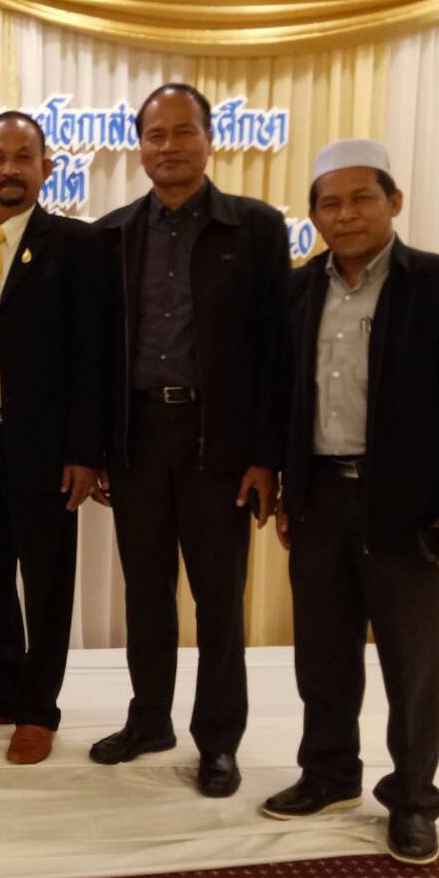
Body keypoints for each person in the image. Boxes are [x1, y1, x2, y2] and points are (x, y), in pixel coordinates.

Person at [264, 138, 439, 864]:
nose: (345, 215)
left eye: (361, 198)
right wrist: (286, 485)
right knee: (322, 653)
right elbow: (284, 401)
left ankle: (413, 800)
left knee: (412, 663)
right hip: (318, 501)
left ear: (393, 201)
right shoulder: (295, 292)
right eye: (329, 204)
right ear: (313, 215)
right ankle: (329, 775)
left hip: (407, 506)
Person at [89, 83, 289, 799]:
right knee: (145, 592)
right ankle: (149, 720)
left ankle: (218, 741)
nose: (168, 146)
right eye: (154, 135)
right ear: (139, 147)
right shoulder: (111, 234)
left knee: (217, 600)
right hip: (139, 437)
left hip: (220, 444)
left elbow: (276, 351)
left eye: (182, 132)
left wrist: (266, 457)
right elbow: (95, 356)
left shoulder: (255, 228)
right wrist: (99, 448)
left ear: (209, 139)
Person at [0, 111, 110, 766]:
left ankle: (38, 708)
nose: (10, 169)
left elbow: (94, 357)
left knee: (47, 581)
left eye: (23, 157)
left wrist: (86, 452)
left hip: (45, 448)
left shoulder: (79, 245)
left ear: (46, 168)